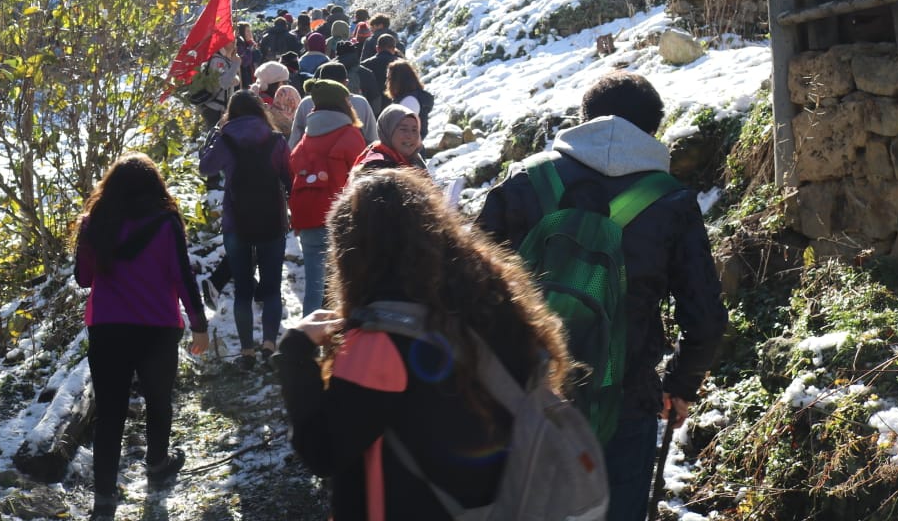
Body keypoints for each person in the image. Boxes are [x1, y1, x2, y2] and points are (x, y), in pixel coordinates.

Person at [476, 71, 728, 521]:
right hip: (624, 403)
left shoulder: (524, 183)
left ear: (583, 119)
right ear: (653, 129)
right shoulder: (670, 203)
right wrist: (680, 385)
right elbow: (705, 319)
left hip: (523, 396)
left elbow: (470, 288)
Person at [276, 168, 574, 520]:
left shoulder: (378, 344)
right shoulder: (495, 306)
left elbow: (323, 450)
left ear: (353, 256)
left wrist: (295, 351)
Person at [73, 155, 209, 519]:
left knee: (110, 411)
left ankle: (104, 495)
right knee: (159, 399)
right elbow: (183, 275)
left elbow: (84, 279)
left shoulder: (93, 224)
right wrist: (199, 325)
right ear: (154, 186)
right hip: (157, 326)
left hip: (107, 326)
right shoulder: (167, 223)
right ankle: (157, 463)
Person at [199, 91, 292, 369]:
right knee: (272, 288)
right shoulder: (276, 140)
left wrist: (213, 137)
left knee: (242, 289)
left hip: (236, 222)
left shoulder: (226, 138)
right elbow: (290, 178)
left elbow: (206, 168)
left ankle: (247, 351)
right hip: (272, 221)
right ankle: (269, 345)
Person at [286, 79, 367, 315]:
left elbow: (293, 162)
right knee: (343, 287)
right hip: (338, 217)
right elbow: (362, 173)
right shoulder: (350, 134)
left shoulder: (307, 136)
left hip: (307, 217)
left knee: (314, 286)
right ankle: (338, 342)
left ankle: (307, 344)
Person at [288, 62, 378, 149]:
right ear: (346, 83)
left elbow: (294, 142)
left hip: (313, 161)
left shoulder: (306, 103)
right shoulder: (360, 103)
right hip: (353, 161)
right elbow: (373, 139)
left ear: (319, 82)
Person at [350, 103, 426, 172]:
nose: (410, 136)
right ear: (387, 131)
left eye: (414, 130)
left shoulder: (416, 161)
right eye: (403, 129)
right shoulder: (376, 167)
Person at [384, 59, 434, 139]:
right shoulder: (408, 98)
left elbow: (405, 133)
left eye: (389, 78)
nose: (387, 82)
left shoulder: (409, 101)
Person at [360, 33, 401, 111]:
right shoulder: (402, 64)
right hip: (395, 105)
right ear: (393, 49)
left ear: (377, 48)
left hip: (371, 107)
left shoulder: (365, 64)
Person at [235, 21, 261, 88]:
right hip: (243, 78)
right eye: (247, 31)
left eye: (250, 31)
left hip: (252, 76)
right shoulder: (238, 44)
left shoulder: (251, 44)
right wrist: (250, 49)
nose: (250, 34)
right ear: (241, 32)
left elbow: (258, 60)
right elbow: (245, 62)